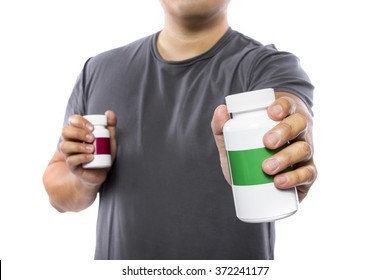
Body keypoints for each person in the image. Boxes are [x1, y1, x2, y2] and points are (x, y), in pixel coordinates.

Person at [43, 0, 317, 260]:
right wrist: (84, 181)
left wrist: (288, 132)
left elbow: (290, 108)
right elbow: (57, 191)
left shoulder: (266, 67)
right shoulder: (98, 70)